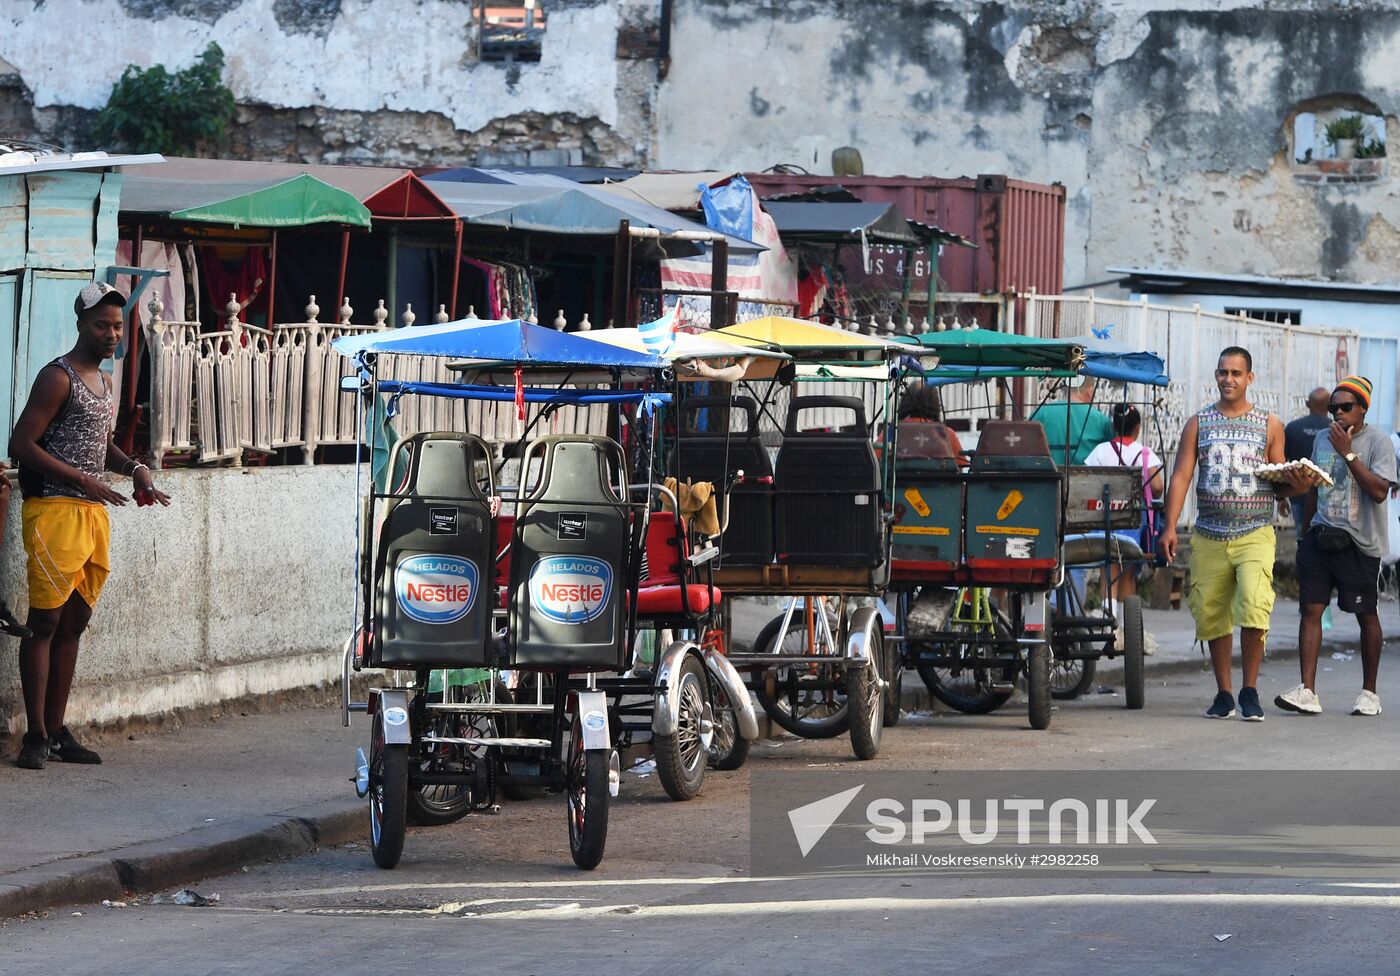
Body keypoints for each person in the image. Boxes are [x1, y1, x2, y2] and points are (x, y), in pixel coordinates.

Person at [9, 282, 171, 771]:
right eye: (102, 325)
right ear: (80, 323)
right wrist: (82, 478)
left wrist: (135, 468)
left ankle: (58, 731)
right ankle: (33, 737)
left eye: (118, 326)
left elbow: (99, 444)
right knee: (45, 623)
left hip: (93, 515)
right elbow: (21, 444)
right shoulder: (56, 377)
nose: (112, 334)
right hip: (54, 511)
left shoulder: (105, 381)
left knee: (75, 623)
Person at [1159, 346, 1289, 722]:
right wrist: (1170, 526)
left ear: (1250, 378)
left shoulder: (1270, 424)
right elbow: (1182, 475)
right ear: (1216, 376)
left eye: (1235, 373)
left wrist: (1292, 487)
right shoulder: (1198, 423)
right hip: (1209, 533)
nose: (1228, 379)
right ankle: (1224, 694)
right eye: (1222, 372)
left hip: (1255, 533)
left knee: (1253, 605)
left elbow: (1282, 477)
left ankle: (1250, 690)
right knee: (1212, 613)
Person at [1275, 376, 1396, 716]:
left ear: (1362, 409)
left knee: (1365, 614)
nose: (1338, 414)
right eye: (1333, 408)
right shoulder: (1322, 441)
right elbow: (1314, 486)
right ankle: (1308, 691)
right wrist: (1306, 533)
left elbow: (1379, 491)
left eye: (1345, 407)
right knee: (1311, 610)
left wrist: (1348, 453)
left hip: (1360, 543)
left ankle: (1369, 693)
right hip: (1320, 537)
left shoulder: (1378, 442)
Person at [1083, 403, 1165, 611]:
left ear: (1114, 425)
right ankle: (1126, 628)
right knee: (1128, 572)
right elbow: (1157, 488)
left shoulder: (1100, 451)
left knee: (1108, 572)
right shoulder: (1144, 454)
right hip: (1133, 522)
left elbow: (1086, 484)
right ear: (1137, 428)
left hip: (1104, 519)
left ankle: (1108, 621)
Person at [1281, 387, 1332, 542]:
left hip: (1298, 495)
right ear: (1330, 406)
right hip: (1329, 498)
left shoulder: (1293, 428)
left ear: (1307, 404)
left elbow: (1282, 464)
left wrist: (1281, 498)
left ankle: (1303, 564)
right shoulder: (1336, 430)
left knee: (1302, 539)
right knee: (1328, 540)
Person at [1031, 376, 1114, 467]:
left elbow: (1025, 441)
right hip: (1086, 478)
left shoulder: (1042, 412)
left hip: (1048, 476)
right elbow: (1111, 451)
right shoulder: (1101, 420)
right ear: (1090, 392)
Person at [898, 383, 968, 466]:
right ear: (935, 402)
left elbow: (879, 465)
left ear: (905, 401)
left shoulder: (892, 432)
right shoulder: (947, 434)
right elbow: (960, 467)